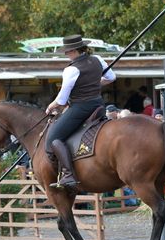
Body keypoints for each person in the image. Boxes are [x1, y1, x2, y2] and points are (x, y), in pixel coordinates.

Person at [45, 34, 116, 189]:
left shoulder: (71, 70)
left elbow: (62, 100)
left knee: (53, 139)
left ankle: (68, 175)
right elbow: (111, 77)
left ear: (75, 51)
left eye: (67, 51)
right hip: (98, 104)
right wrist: (96, 84)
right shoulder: (97, 59)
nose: (66, 54)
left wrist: (51, 106)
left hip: (81, 108)